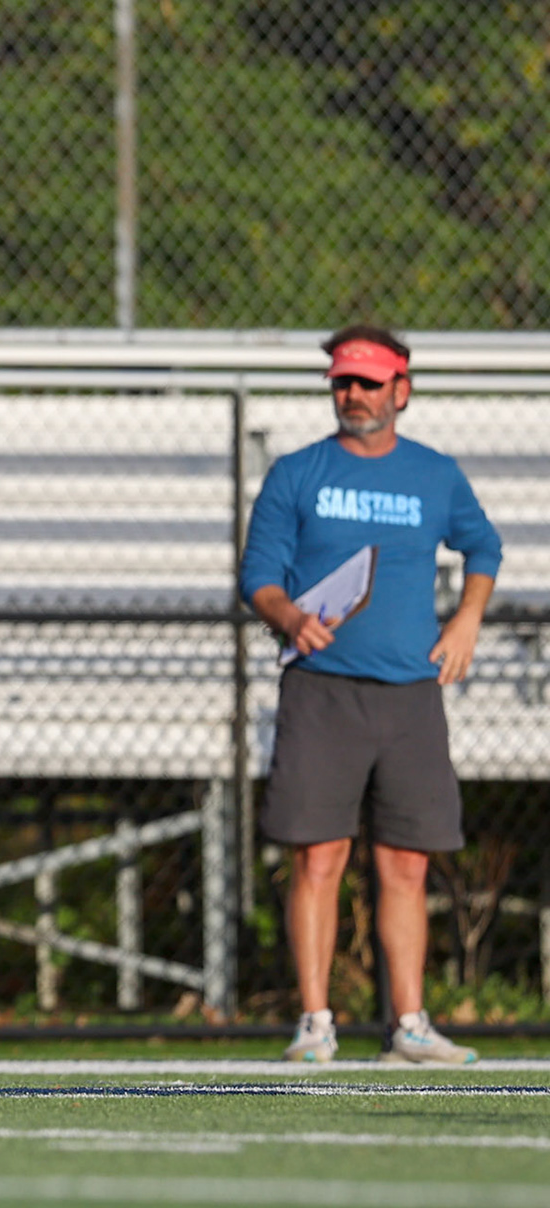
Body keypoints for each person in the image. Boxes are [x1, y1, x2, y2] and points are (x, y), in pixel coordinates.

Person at [242, 325, 501, 1066]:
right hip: (320, 692)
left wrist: (468, 619)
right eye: (341, 382)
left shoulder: (435, 475)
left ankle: (409, 1024)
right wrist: (288, 615)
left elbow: (484, 548)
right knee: (318, 859)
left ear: (401, 390)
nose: (352, 395)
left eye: (367, 382)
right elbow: (257, 573)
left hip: (411, 695)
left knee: (407, 865)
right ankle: (316, 1021)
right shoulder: (298, 473)